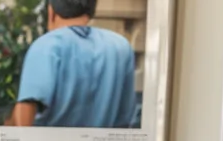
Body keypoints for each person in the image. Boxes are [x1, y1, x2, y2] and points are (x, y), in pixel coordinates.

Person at [10, 0, 139, 128]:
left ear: (51, 12)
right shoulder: (120, 47)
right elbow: (125, 118)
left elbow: (26, 108)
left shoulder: (46, 46)